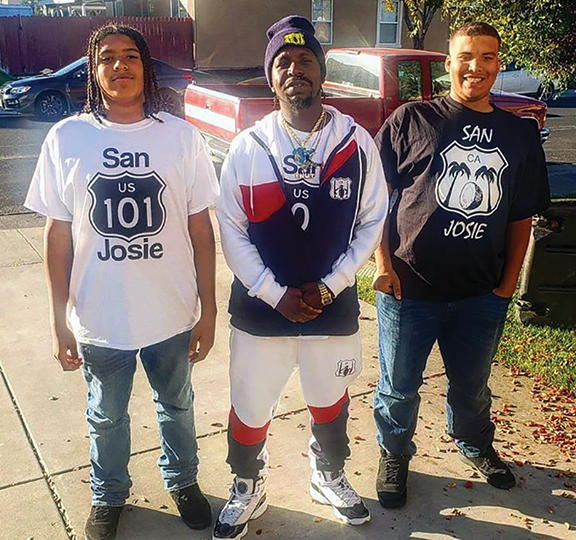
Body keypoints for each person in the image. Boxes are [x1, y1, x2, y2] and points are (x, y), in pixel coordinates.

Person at [24, 24, 219, 540]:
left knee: (176, 406)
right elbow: (57, 236)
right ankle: (108, 494)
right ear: (93, 69)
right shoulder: (67, 137)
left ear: (146, 66)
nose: (120, 65)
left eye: (131, 55)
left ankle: (183, 483)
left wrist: (210, 308)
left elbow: (201, 229)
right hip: (98, 317)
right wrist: (58, 320)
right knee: (105, 417)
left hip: (171, 314)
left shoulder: (181, 136)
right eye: (107, 57)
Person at [214, 15, 388, 540]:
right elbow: (231, 230)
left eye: (305, 60)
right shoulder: (248, 147)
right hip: (259, 311)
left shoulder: (357, 142)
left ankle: (328, 475)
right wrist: (272, 293)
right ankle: (248, 484)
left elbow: (373, 220)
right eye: (283, 63)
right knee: (249, 402)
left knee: (329, 397)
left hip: (331, 309)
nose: (295, 71)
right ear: (271, 78)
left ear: (322, 70)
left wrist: (332, 284)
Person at [372, 21, 550, 509]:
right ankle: (394, 453)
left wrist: (508, 283)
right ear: (448, 62)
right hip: (410, 289)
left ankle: (474, 443)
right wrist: (383, 267)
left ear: (499, 63)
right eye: (467, 56)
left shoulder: (518, 133)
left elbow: (520, 214)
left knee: (471, 386)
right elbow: (375, 203)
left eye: (489, 56)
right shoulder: (413, 119)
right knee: (398, 388)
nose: (477, 66)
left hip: (481, 293)